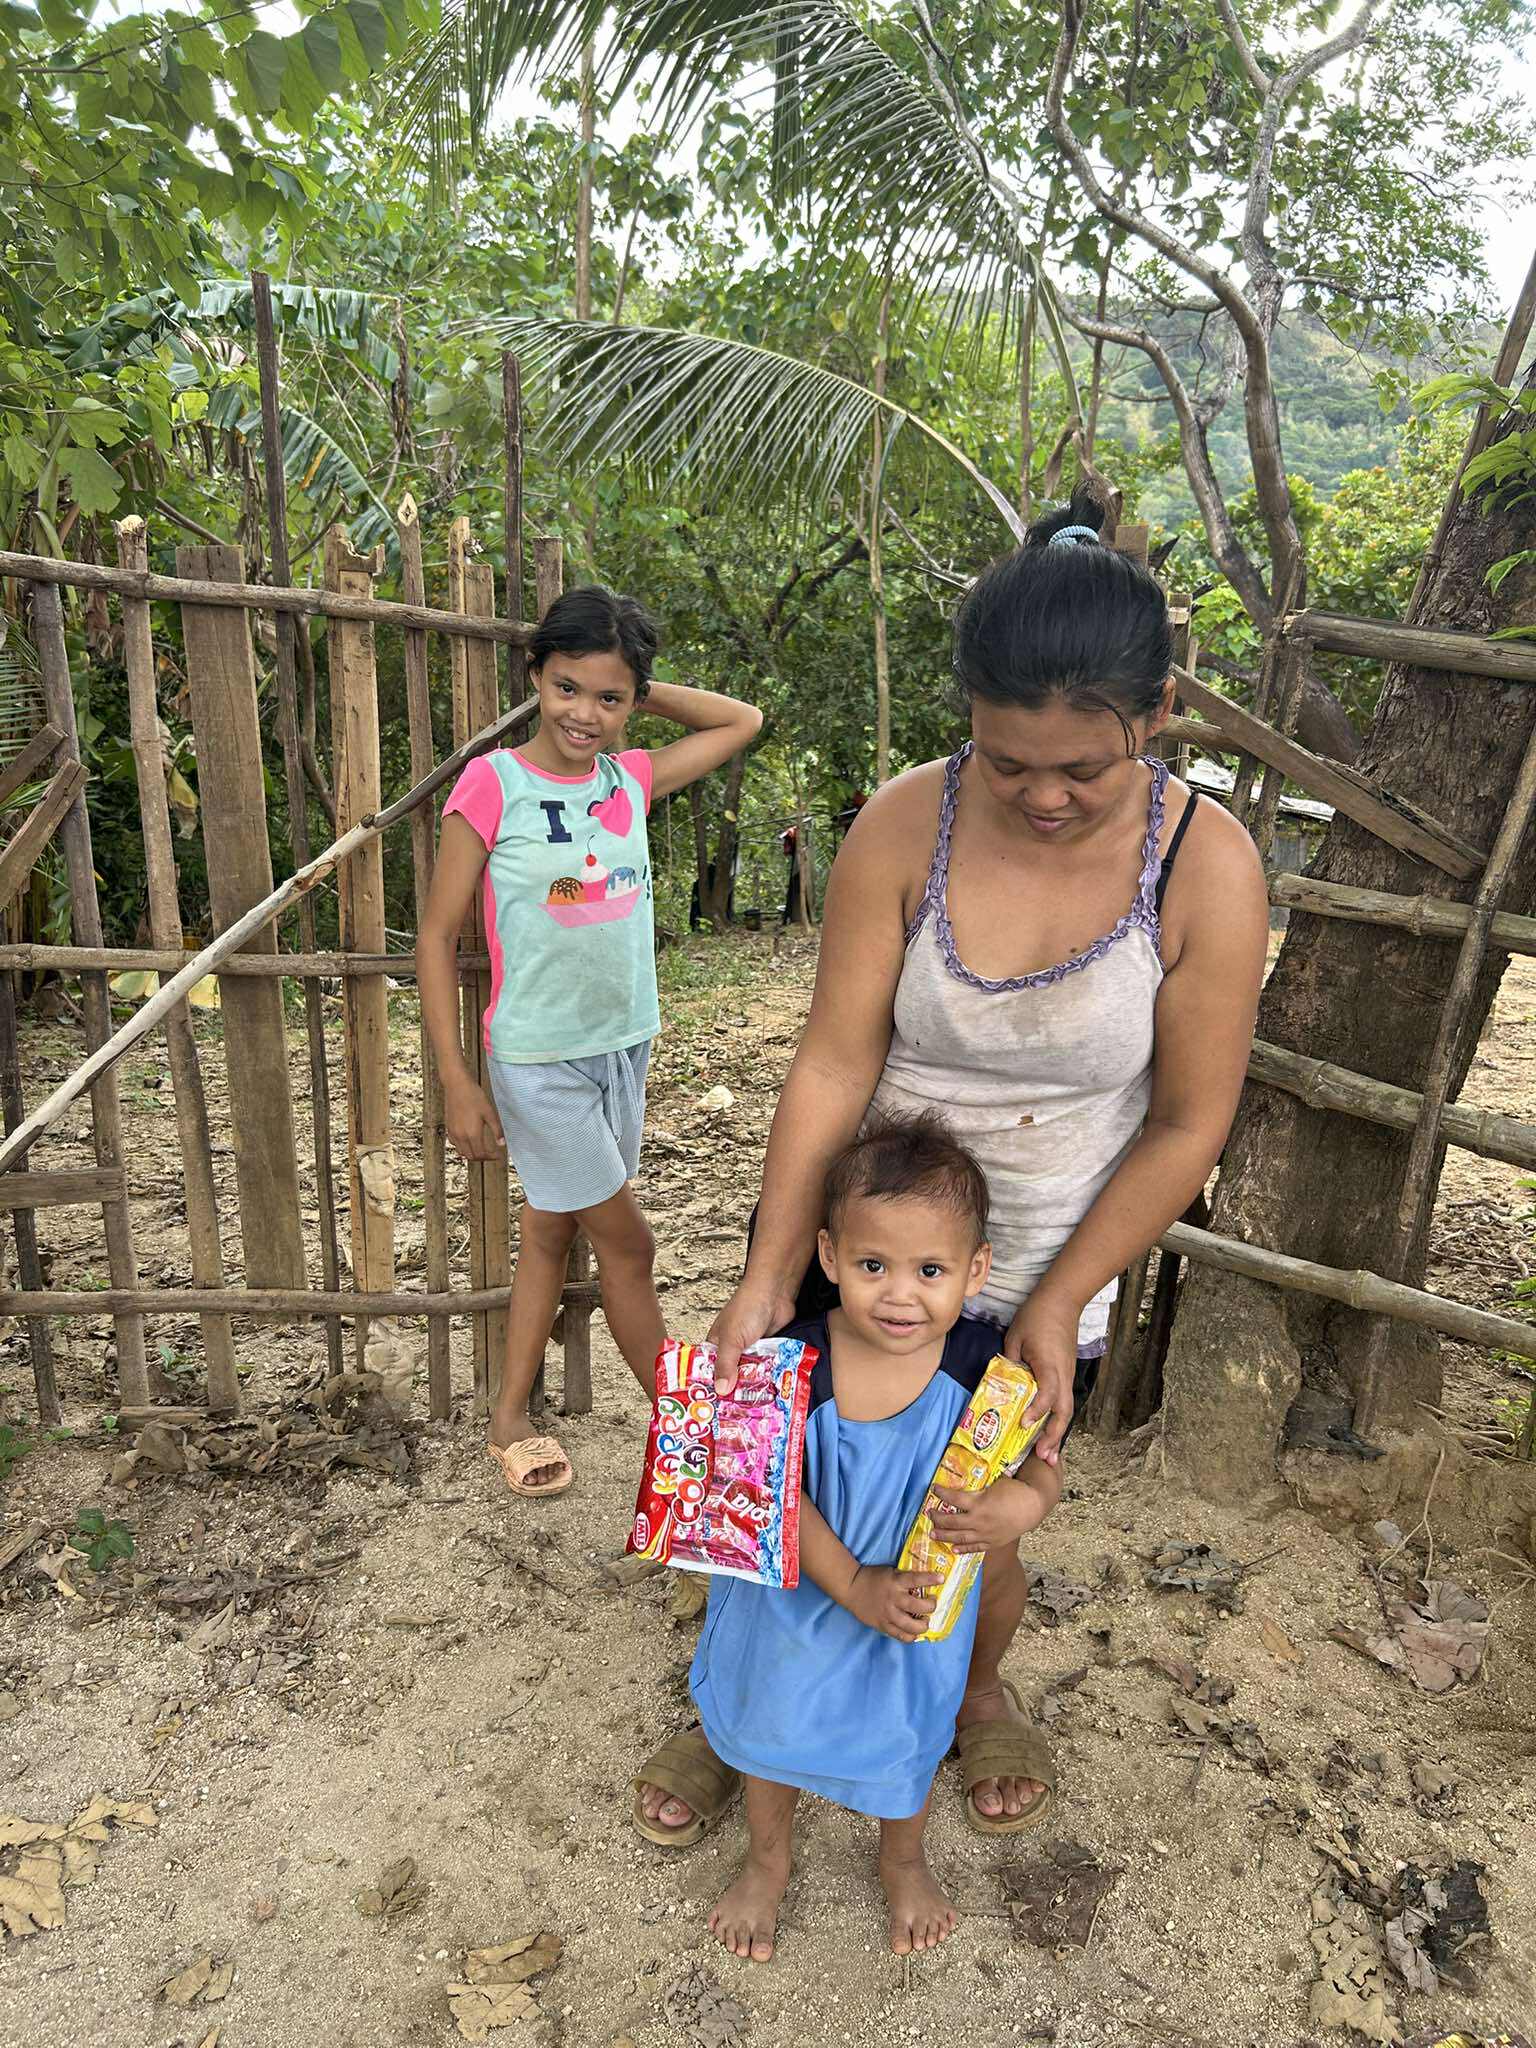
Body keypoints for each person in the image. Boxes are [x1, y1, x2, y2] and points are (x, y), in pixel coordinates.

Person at [634, 490, 1268, 1839]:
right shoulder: (902, 824)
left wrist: (1057, 1297)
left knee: (974, 1511)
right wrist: (771, 1271)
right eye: (1005, 758)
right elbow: (832, 1062)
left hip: (1048, 1246)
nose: (1041, 795)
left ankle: (975, 1693)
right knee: (787, 1476)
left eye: (1082, 769)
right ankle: (738, 1707)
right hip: (866, 1232)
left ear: (1158, 714)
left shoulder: (1206, 867)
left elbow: (1187, 1124)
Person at [690, 1113, 1060, 1963]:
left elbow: (1043, 1466)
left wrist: (1021, 1509)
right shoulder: (790, 1363)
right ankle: (768, 1861)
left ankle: (903, 1861)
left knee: (909, 1725)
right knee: (772, 1715)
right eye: (872, 1266)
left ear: (975, 1271)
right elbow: (766, 1492)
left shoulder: (986, 1371)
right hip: (797, 1596)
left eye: (930, 1270)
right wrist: (855, 1584)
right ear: (827, 1258)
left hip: (913, 1610)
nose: (900, 1295)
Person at [417, 586, 762, 1497]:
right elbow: (436, 937)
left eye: (610, 698)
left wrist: (639, 690)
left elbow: (741, 721)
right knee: (630, 1248)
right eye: (567, 687)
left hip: (622, 1045)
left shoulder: (629, 779)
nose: (585, 713)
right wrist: (457, 1081)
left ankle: (508, 1415)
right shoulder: (492, 784)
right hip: (537, 1059)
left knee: (549, 1230)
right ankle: (694, 1436)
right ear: (535, 675)